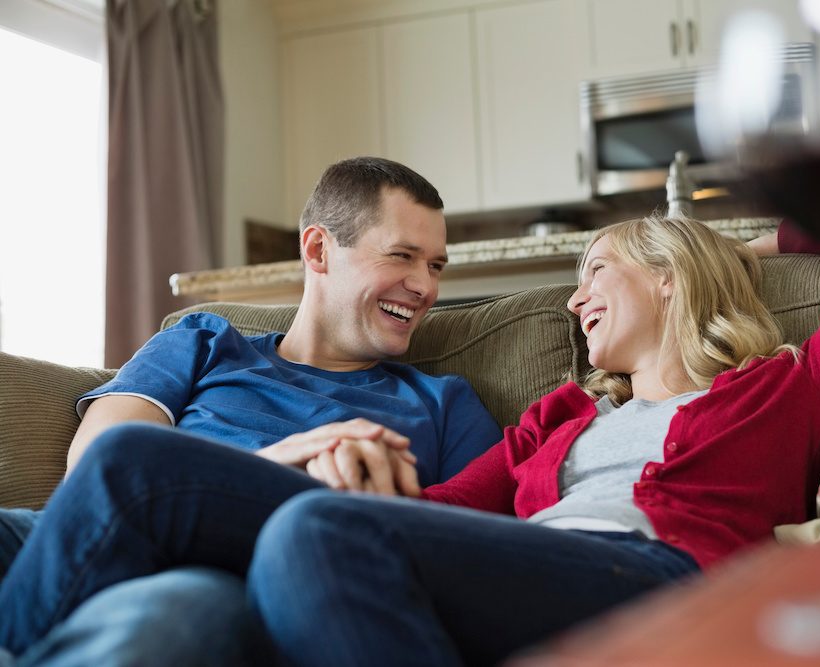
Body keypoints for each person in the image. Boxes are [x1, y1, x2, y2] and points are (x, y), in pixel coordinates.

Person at [0, 214, 820, 666]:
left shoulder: (787, 387)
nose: (574, 294)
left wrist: (763, 237)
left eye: (596, 268)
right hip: (516, 566)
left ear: (673, 275)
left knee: (313, 538)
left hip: (660, 574)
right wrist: (339, 465)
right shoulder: (558, 418)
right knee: (131, 464)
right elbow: (434, 514)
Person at [0, 156, 502, 666]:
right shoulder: (204, 339)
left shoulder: (443, 405)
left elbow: (471, 553)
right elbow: (105, 461)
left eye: (435, 265)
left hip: (229, 576)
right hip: (68, 535)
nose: (426, 287)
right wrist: (273, 464)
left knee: (174, 621)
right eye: (402, 256)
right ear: (318, 249)